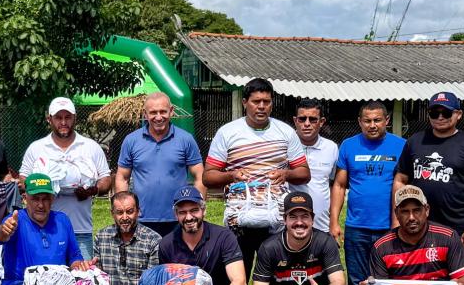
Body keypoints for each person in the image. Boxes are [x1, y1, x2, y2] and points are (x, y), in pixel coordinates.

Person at [202, 77, 309, 273]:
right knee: (237, 279)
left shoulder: (285, 132)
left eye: (266, 102)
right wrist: (231, 175)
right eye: (256, 101)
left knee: (275, 277)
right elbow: (208, 178)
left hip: (275, 221)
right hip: (239, 221)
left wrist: (286, 174)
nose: (261, 107)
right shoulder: (227, 133)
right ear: (245, 103)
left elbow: (304, 173)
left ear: (272, 103)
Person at [19, 97, 113, 259]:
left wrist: (93, 189)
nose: (63, 122)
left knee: (82, 280)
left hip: (80, 230)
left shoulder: (90, 147)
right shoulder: (37, 148)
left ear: (75, 118)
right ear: (49, 119)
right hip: (44, 229)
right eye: (58, 117)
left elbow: (106, 178)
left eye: (67, 117)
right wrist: (44, 189)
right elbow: (23, 180)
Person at [330, 101, 406, 285]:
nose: (372, 125)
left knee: (388, 279)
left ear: (387, 121)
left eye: (377, 120)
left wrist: (399, 223)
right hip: (357, 227)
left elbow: (406, 186)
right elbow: (338, 185)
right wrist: (334, 222)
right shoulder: (348, 145)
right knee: (357, 281)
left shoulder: (401, 146)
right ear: (360, 122)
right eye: (367, 121)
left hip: (390, 227)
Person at [392, 91, 464, 249]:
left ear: (458, 114)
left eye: (446, 112)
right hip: (415, 224)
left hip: (452, 227)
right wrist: (397, 220)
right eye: (434, 113)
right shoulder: (415, 141)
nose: (440, 117)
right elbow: (400, 180)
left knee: (450, 273)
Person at [114, 92, 204, 237]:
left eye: (163, 111)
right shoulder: (131, 141)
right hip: (141, 218)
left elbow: (200, 176)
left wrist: (197, 208)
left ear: (172, 111)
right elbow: (122, 177)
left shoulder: (186, 139)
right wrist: (123, 210)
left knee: (176, 260)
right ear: (145, 113)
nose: (158, 117)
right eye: (153, 112)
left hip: (178, 217)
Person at [293, 98, 337, 233]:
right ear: (295, 121)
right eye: (302, 119)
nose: (307, 124)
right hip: (289, 225)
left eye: (312, 119)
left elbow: (332, 184)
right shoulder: (284, 146)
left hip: (321, 225)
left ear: (322, 122)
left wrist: (333, 223)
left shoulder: (331, 148)